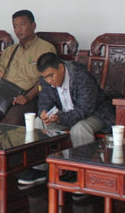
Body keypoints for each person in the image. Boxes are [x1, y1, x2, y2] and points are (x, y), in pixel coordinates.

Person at [17, 52, 116, 186]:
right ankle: (38, 169)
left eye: (51, 75)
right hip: (63, 116)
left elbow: (84, 110)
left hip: (95, 115)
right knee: (38, 123)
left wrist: (60, 118)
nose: (49, 80)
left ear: (61, 67)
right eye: (45, 77)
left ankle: (81, 174)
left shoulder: (81, 76)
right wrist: (44, 113)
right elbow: (44, 102)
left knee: (80, 128)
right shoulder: (45, 81)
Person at [0, 10, 56, 125]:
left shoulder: (46, 48)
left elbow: (46, 79)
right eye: (15, 26)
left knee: (11, 122)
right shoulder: (10, 50)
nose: (18, 29)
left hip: (28, 97)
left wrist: (27, 97)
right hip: (3, 95)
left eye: (22, 24)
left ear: (33, 25)